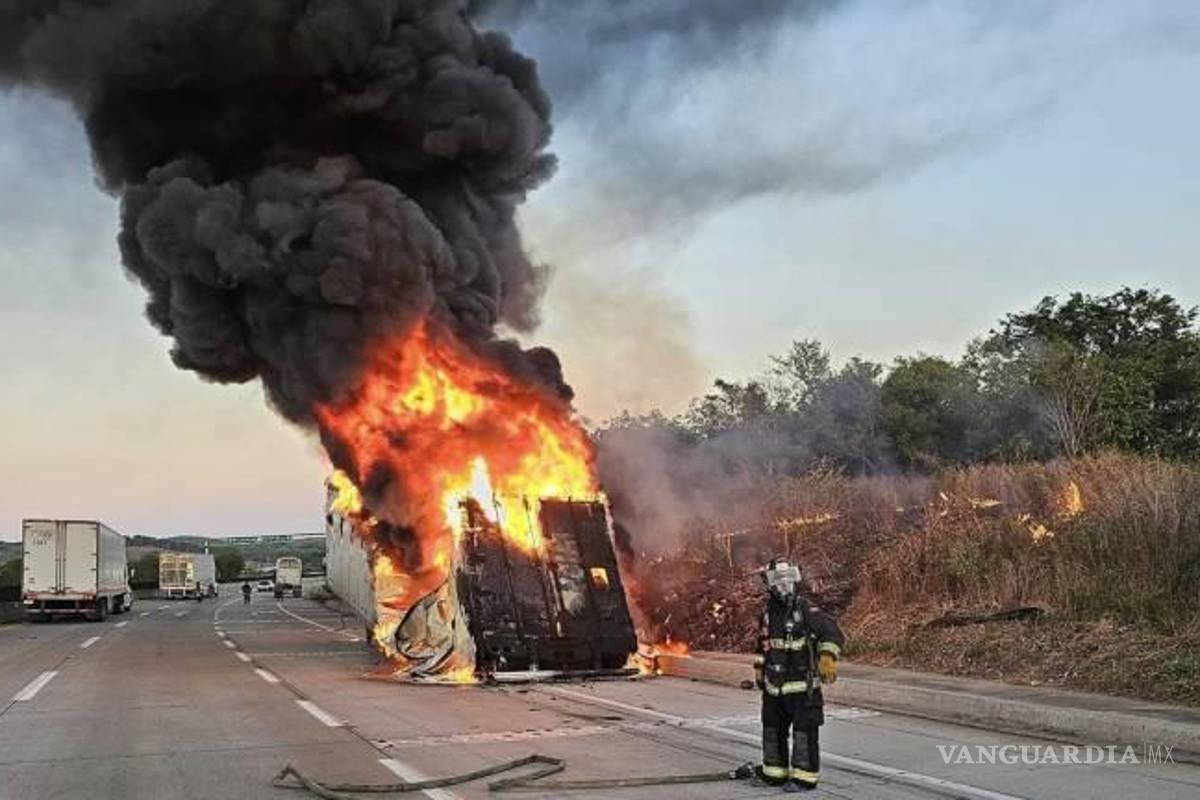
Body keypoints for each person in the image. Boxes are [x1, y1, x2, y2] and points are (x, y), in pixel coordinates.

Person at [753, 558, 844, 792]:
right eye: (778, 580)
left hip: (803, 688)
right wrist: (759, 669)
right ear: (769, 584)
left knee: (804, 733)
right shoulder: (766, 614)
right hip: (774, 688)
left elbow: (832, 633)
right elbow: (763, 645)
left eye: (788, 578)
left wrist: (827, 657)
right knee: (772, 730)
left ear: (796, 579)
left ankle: (804, 778)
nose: (784, 584)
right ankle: (774, 774)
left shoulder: (806, 609)